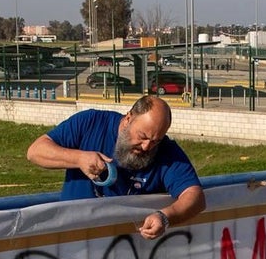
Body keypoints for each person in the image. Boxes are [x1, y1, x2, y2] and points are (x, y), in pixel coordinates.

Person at [26, 95, 206, 240]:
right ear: (128, 118)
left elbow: (195, 197)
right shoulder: (91, 122)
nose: (146, 147)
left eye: (155, 141)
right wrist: (78, 158)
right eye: (142, 136)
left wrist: (165, 217)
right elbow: (35, 151)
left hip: (126, 252)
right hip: (73, 242)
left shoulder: (167, 152)